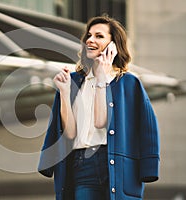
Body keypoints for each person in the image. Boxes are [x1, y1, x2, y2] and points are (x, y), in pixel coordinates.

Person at [38, 15, 160, 200]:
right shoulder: (74, 82)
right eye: (89, 35)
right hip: (82, 164)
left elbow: (101, 121)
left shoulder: (129, 83)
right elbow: (69, 134)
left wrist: (102, 79)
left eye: (99, 36)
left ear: (113, 45)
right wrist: (63, 92)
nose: (90, 40)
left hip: (117, 165)